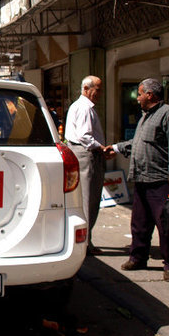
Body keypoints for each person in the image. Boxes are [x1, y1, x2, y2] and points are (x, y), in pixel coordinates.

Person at [109, 78, 169, 282]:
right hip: (142, 179)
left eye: (140, 94)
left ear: (150, 95)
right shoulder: (146, 117)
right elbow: (138, 143)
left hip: (160, 180)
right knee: (140, 223)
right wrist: (117, 148)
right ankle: (138, 257)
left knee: (166, 224)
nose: (138, 98)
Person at [65, 75, 109, 255]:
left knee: (87, 198)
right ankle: (85, 243)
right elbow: (85, 136)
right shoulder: (84, 108)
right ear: (86, 89)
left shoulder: (82, 106)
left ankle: (85, 240)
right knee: (88, 199)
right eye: (97, 89)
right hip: (85, 154)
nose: (99, 94)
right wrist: (101, 148)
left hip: (83, 153)